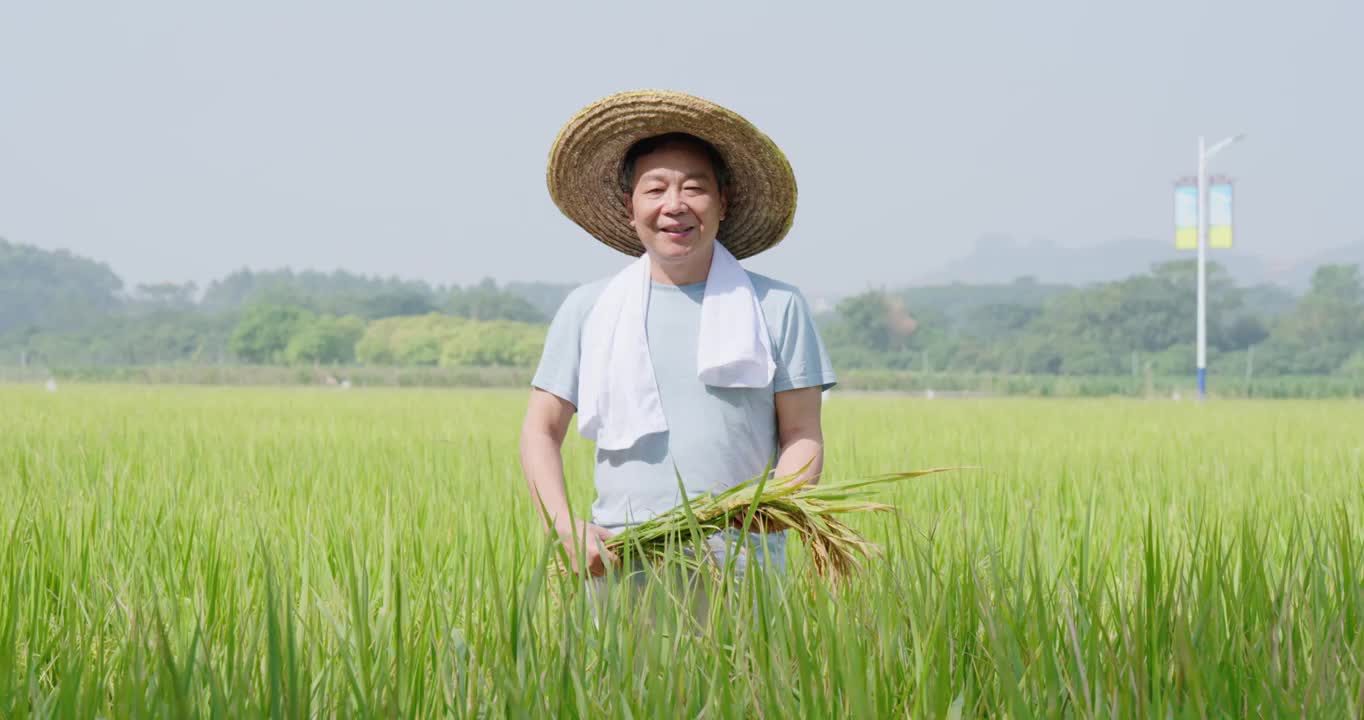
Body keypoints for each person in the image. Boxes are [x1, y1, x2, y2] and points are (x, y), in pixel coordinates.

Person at [519, 90, 836, 586]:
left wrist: (777, 502)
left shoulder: (777, 307)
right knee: (619, 669)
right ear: (629, 207)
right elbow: (541, 431)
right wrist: (563, 527)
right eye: (656, 189)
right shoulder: (589, 308)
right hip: (620, 559)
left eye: (694, 188)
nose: (675, 205)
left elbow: (801, 434)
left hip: (743, 564)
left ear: (723, 202)